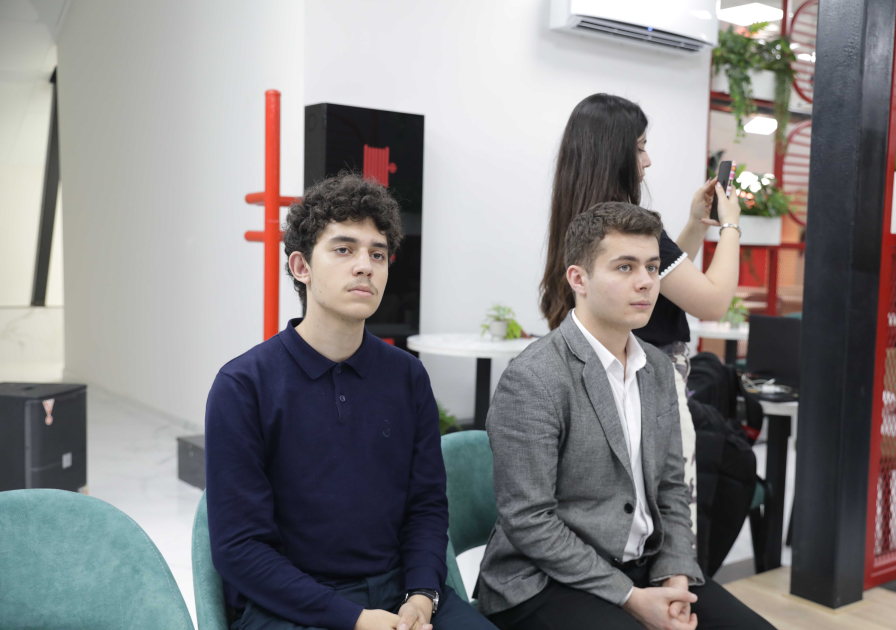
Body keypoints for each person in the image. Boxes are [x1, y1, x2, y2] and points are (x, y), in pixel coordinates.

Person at [205, 173, 496, 630]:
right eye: (344, 250)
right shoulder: (243, 386)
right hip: (292, 606)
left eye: (377, 254)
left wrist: (422, 594)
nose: (365, 266)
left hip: (399, 592)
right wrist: (355, 619)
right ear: (301, 267)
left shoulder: (407, 377)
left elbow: (426, 506)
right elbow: (239, 547)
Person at [479, 202, 773, 630]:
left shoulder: (656, 368)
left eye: (652, 267)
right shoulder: (534, 378)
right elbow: (529, 521)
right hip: (543, 580)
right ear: (578, 279)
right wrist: (631, 598)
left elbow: (672, 488)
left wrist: (676, 576)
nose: (646, 282)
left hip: (644, 564)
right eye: (625, 267)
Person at [538, 93, 744, 531]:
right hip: (649, 387)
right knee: (670, 520)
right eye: (639, 148)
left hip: (605, 389)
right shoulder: (626, 223)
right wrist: (731, 225)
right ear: (613, 153)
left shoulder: (583, 218)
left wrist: (694, 224)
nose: (647, 161)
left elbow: (659, 282)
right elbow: (711, 301)